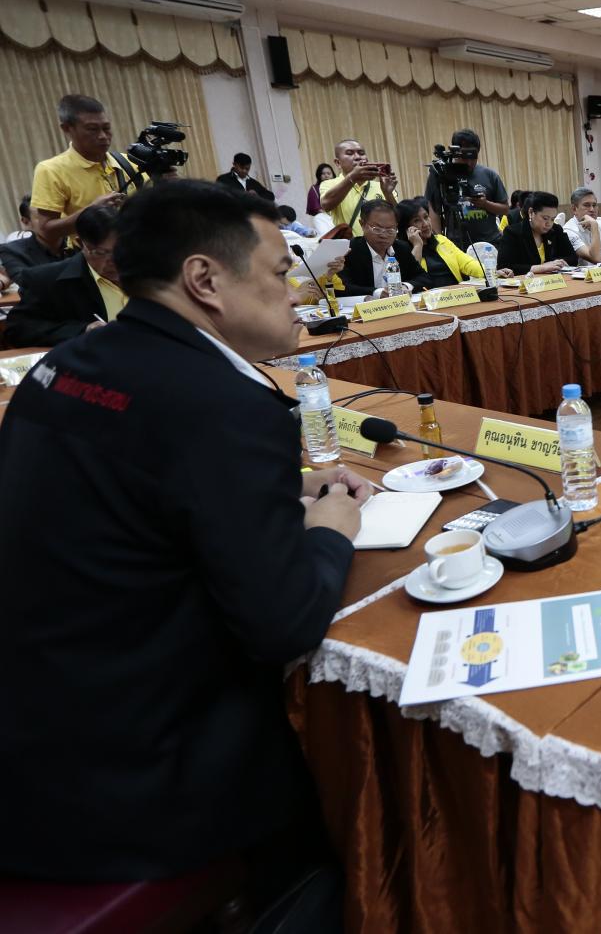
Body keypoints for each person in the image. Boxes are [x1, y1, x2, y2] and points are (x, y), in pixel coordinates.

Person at [0, 181, 364, 929]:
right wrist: (331, 523)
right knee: (352, 799)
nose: (297, 291)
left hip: (29, 745)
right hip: (137, 781)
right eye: (279, 271)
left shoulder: (62, 365)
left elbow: (132, 500)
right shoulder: (221, 406)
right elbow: (283, 622)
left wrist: (267, 499)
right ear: (205, 280)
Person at [29, 94, 135, 252]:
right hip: (95, 259)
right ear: (66, 129)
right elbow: (46, 231)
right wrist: (90, 213)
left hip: (141, 252)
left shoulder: (129, 162)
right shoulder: (51, 170)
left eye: (106, 128)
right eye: (92, 129)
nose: (103, 136)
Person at [5, 206, 120, 348]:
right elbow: (18, 329)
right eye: (101, 252)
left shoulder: (148, 270)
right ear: (80, 243)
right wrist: (83, 330)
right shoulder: (48, 279)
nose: (114, 261)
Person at [422, 128, 508, 250]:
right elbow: (434, 210)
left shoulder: (490, 175)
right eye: (464, 156)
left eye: (473, 157)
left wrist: (485, 204)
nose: (469, 162)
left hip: (490, 244)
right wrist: (440, 244)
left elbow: (505, 209)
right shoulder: (441, 173)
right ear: (455, 153)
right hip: (456, 246)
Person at [397, 197, 496, 288]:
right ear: (406, 227)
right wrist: (417, 245)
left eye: (426, 217)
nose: (425, 224)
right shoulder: (401, 248)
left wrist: (491, 272)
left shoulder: (441, 240)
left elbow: (467, 263)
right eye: (417, 221)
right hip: (427, 299)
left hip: (455, 294)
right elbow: (411, 275)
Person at [337, 199, 423, 296]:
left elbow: (423, 278)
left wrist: (405, 286)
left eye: (390, 229)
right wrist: (377, 293)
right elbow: (342, 288)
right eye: (377, 229)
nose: (384, 235)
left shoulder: (402, 248)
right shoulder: (348, 250)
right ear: (362, 224)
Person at [317, 138, 398, 238]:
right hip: (350, 248)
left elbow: (397, 217)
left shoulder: (381, 185)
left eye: (361, 153)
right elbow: (326, 205)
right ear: (338, 163)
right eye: (350, 153)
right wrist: (352, 177)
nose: (357, 157)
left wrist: (388, 193)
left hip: (381, 246)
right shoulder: (330, 184)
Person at [496, 191, 576, 275]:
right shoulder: (512, 233)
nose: (549, 224)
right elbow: (504, 267)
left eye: (552, 219)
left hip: (554, 282)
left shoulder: (556, 230)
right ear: (531, 212)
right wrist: (540, 268)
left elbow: (573, 258)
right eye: (545, 218)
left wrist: (558, 262)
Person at [0, 197, 62, 287]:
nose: (55, 221)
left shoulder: (79, 242)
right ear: (26, 222)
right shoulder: (12, 251)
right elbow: (26, 281)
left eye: (59, 214)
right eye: (44, 217)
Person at [561, 187, 601, 264]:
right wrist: (594, 227)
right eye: (586, 205)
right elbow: (596, 259)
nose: (592, 209)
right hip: (582, 275)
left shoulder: (600, 223)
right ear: (574, 209)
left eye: (594, 205)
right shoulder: (568, 231)